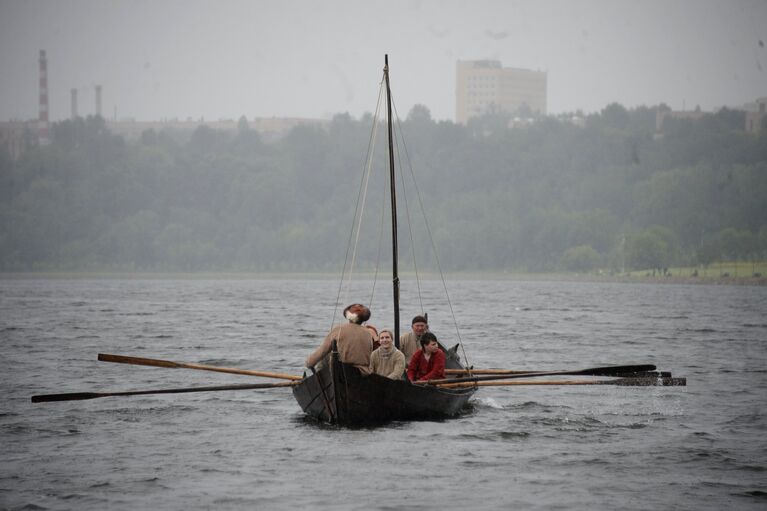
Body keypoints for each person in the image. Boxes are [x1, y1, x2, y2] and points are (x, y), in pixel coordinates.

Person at [305, 304, 374, 374]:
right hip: (363, 374)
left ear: (348, 315)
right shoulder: (368, 333)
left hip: (342, 373)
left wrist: (309, 363)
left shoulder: (339, 329)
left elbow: (322, 351)